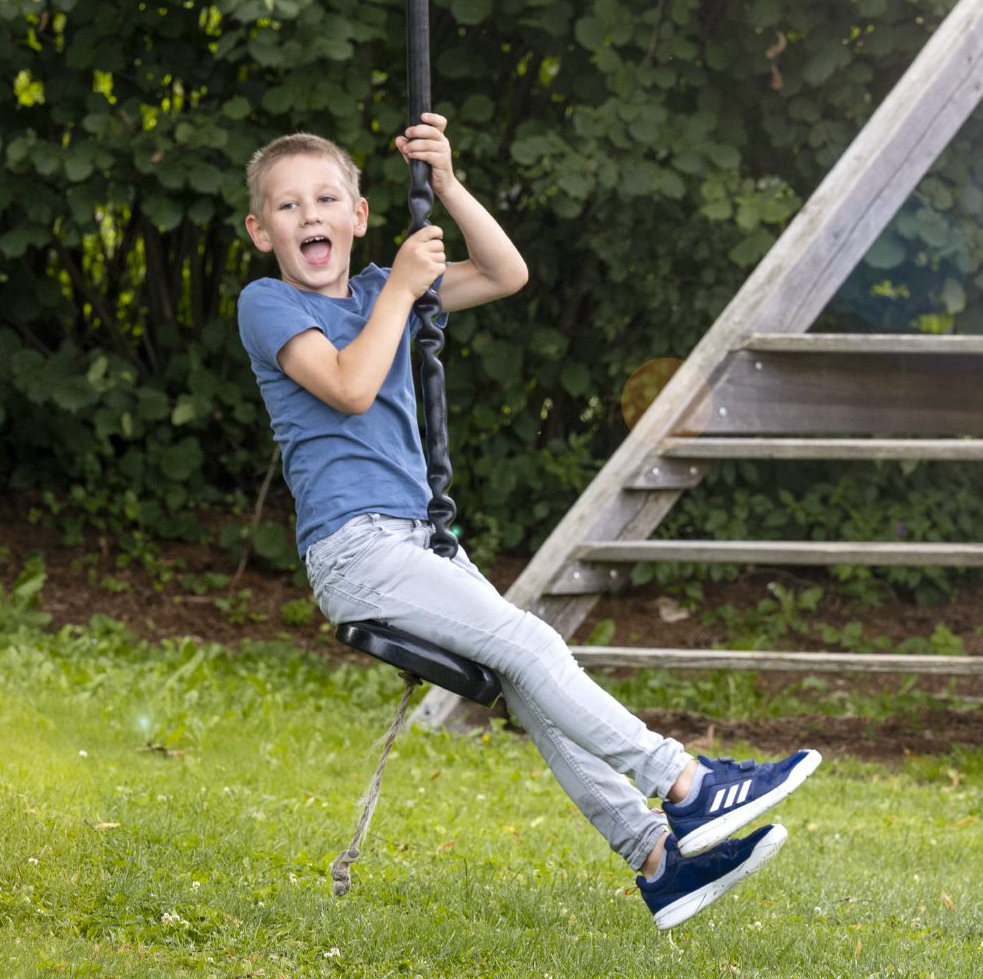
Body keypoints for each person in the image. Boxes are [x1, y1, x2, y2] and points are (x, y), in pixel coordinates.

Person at [235, 114, 821, 929]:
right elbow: (348, 386)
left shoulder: (378, 289)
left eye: (327, 198)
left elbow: (506, 272)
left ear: (359, 216)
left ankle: (658, 860)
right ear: (262, 232)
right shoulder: (267, 304)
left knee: (527, 678)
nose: (310, 216)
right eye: (289, 207)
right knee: (533, 644)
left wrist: (445, 184)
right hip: (355, 550)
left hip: (420, 539)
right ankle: (688, 784)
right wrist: (402, 288)